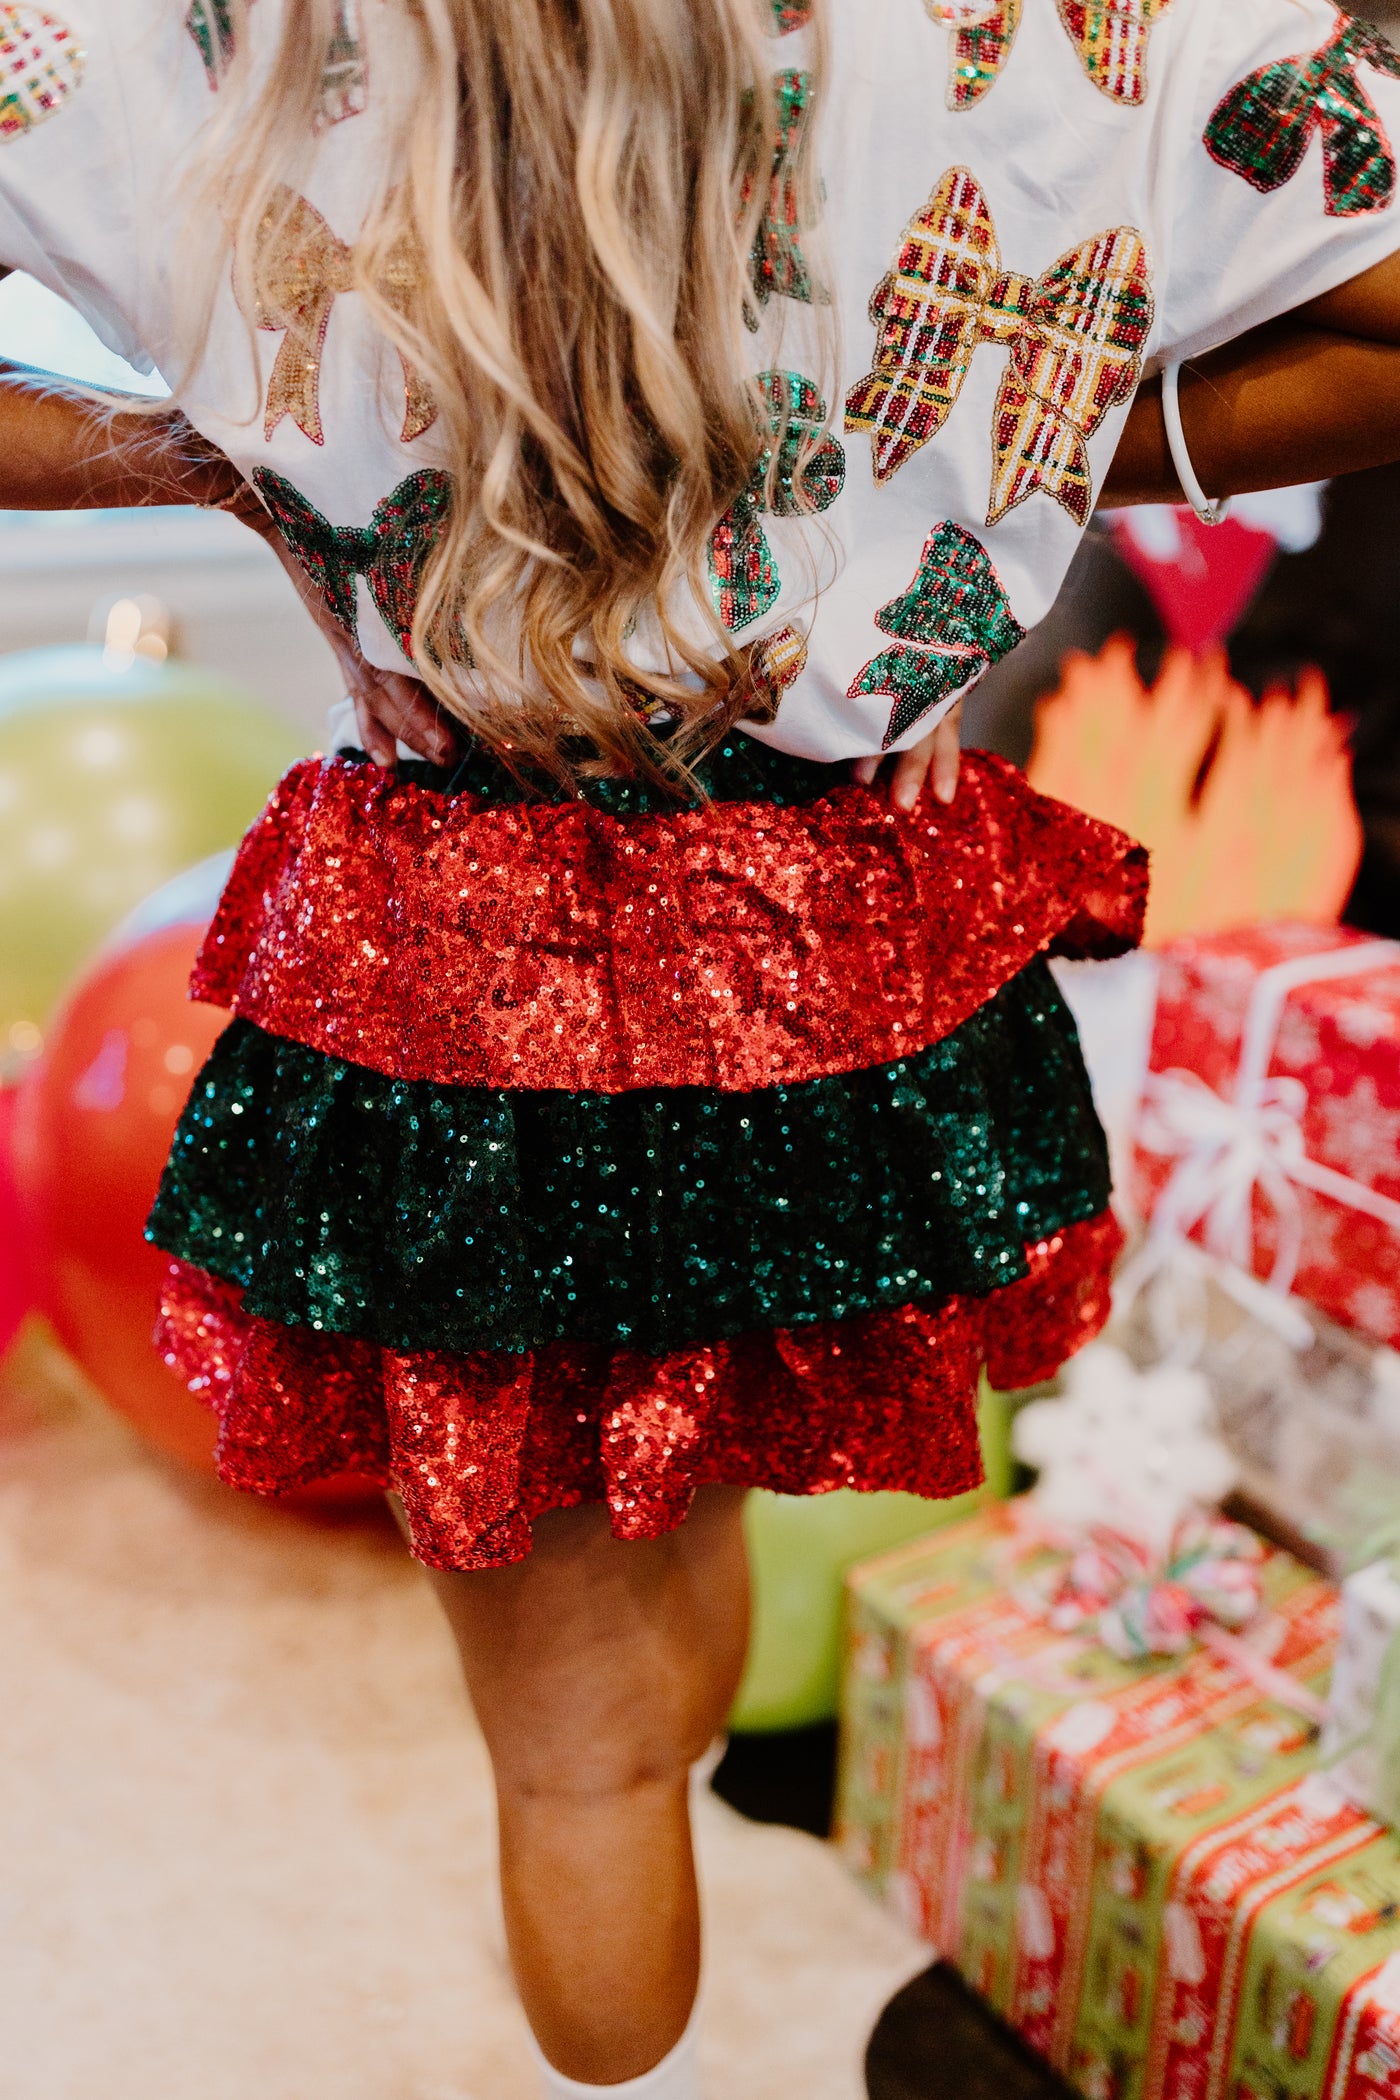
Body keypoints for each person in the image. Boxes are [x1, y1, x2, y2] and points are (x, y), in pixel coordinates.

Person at [5, 0, 1400, 2091]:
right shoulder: (1035, 23)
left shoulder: (248, 32)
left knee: (577, 1764)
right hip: (836, 952)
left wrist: (218, 444)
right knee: (704, 1508)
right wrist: (1007, 438)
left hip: (479, 980)